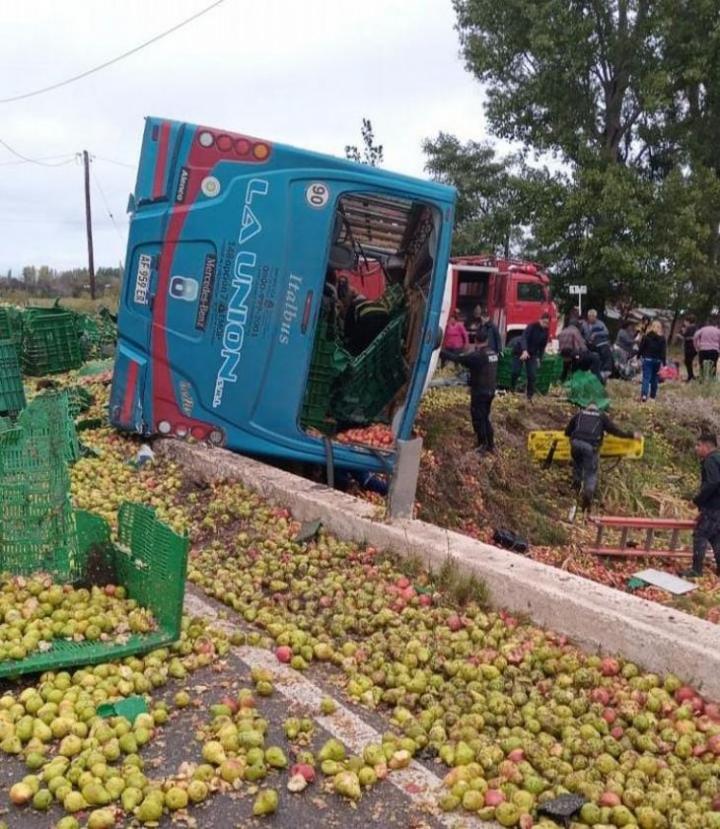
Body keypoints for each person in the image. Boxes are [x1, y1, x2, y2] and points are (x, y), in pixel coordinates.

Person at [564, 404, 640, 514]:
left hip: (575, 444)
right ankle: (588, 492)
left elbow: (567, 432)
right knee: (591, 472)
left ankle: (575, 487)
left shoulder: (579, 415)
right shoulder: (601, 417)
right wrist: (631, 435)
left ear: (587, 408)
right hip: (590, 446)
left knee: (577, 464)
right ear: (597, 409)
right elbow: (615, 431)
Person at [441, 329, 498, 454]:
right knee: (486, 417)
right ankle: (491, 445)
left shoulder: (478, 356)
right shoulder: (492, 353)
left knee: (478, 418)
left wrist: (441, 352)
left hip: (480, 392)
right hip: (490, 390)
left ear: (476, 341)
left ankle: (482, 445)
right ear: (487, 340)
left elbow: (457, 359)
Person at [680, 434, 720, 578]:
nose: (696, 448)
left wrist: (697, 501)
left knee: (700, 535)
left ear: (706, 446)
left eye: (698, 445)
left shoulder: (710, 460)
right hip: (717, 508)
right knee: (715, 537)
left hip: (713, 507)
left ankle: (696, 570)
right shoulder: (718, 458)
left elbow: (713, 483)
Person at [510, 313, 550, 399]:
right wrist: (524, 350)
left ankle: (529, 396)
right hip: (520, 350)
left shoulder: (546, 332)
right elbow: (524, 338)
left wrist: (539, 358)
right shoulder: (531, 327)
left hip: (532, 354)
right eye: (544, 322)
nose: (545, 325)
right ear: (540, 320)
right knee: (515, 371)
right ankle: (512, 388)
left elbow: (542, 347)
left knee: (532, 375)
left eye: (547, 323)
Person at [638, 320, 667, 402]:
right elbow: (663, 351)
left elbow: (641, 348)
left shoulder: (646, 336)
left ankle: (644, 395)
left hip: (647, 359)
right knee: (655, 378)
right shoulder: (662, 339)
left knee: (646, 378)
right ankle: (652, 396)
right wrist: (664, 363)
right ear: (660, 328)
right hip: (657, 361)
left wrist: (638, 356)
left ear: (651, 327)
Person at [583, 309, 613, 378]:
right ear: (588, 317)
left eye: (593, 316)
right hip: (589, 345)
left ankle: (604, 373)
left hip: (601, 344)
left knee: (604, 357)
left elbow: (606, 332)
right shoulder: (585, 324)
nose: (592, 318)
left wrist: (596, 334)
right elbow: (584, 334)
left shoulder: (600, 323)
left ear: (596, 317)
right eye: (590, 316)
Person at [677, 315, 698, 381]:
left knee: (687, 361)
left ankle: (690, 376)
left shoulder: (690, 328)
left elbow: (686, 337)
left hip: (690, 347)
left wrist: (680, 334)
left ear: (688, 321)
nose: (684, 323)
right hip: (694, 347)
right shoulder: (696, 327)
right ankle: (691, 375)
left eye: (685, 321)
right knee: (688, 361)